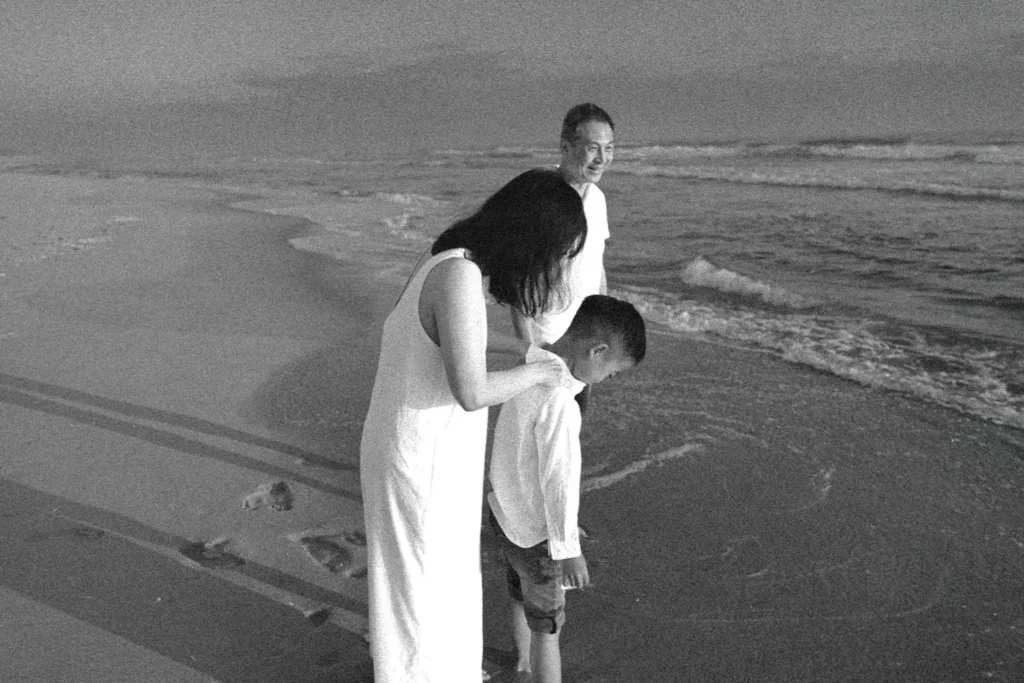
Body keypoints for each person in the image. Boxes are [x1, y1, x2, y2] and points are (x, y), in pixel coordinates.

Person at [359, 168, 588, 683]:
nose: (553, 265)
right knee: (423, 588)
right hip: (420, 456)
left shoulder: (447, 260)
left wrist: (532, 352)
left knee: (428, 582)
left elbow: (458, 344)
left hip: (416, 447)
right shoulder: (459, 275)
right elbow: (473, 392)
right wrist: (542, 370)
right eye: (557, 252)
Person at [488, 295, 647, 683]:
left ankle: (521, 664)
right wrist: (567, 549)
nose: (606, 381)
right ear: (597, 350)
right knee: (549, 628)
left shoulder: (531, 367)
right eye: (610, 373)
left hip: (504, 515)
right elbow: (558, 479)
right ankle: (536, 670)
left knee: (518, 594)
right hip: (538, 537)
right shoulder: (560, 400)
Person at [510, 103, 615, 348]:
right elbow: (515, 276)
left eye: (608, 149)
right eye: (592, 148)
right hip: (546, 341)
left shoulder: (597, 198)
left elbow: (596, 265)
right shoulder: (539, 195)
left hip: (586, 341)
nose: (602, 159)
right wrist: (528, 349)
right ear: (566, 147)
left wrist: (603, 327)